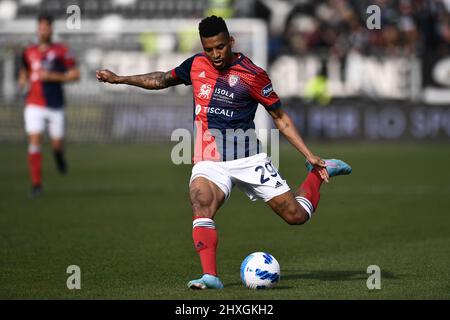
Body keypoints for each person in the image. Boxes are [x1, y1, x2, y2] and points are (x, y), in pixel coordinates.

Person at [96, 15, 351, 290]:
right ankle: (210, 276)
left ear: (231, 41)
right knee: (200, 201)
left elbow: (280, 118)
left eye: (220, 47)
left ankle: (317, 173)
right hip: (210, 160)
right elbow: (161, 80)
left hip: (249, 159)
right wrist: (119, 79)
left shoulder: (252, 75)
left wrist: (309, 154)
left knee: (296, 216)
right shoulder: (195, 65)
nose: (215, 55)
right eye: (209, 49)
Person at [18, 13, 80, 197]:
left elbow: (75, 74)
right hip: (34, 103)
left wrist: (53, 76)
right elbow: (24, 70)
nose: (43, 30)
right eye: (41, 27)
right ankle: (36, 185)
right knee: (34, 141)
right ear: (37, 29)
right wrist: (22, 82)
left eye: (47, 27)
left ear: (52, 29)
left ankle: (59, 156)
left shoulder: (62, 50)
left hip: (55, 105)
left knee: (56, 145)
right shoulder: (28, 51)